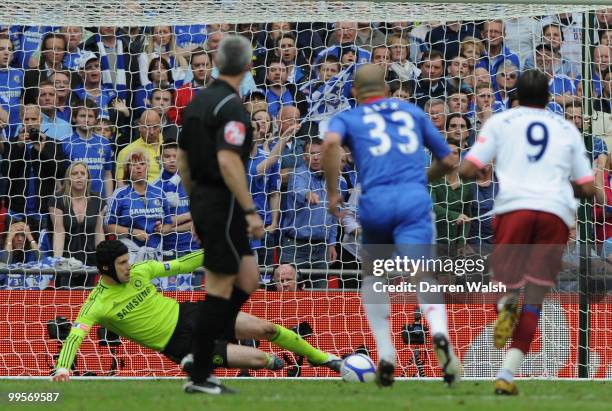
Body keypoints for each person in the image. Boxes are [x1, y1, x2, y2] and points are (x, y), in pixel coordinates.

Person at [322, 64, 461, 387]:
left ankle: (385, 354)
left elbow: (329, 144)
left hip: (375, 202)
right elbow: (450, 160)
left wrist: (332, 193)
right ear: (386, 91)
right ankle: (439, 333)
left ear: (355, 93)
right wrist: (420, 179)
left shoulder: (349, 117)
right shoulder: (411, 111)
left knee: (375, 275)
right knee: (422, 273)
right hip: (413, 201)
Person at [458, 69, 596, 395]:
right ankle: (507, 372)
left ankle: (505, 305)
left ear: (514, 94)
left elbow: (466, 169)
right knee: (535, 298)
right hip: (555, 213)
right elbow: (588, 187)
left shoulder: (500, 122)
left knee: (504, 287)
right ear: (549, 99)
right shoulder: (566, 128)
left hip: (514, 209)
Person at [178, 35, 301, 394]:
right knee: (220, 285)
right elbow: (230, 161)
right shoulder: (232, 109)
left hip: (208, 204)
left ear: (217, 62)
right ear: (249, 67)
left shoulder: (197, 103)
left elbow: (183, 159)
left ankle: (199, 351)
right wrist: (249, 210)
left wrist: (194, 202)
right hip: (225, 207)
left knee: (248, 279)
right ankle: (199, 364)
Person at [52, 240, 339, 382]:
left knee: (268, 329)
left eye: (128, 260)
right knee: (263, 359)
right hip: (181, 344)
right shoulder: (97, 304)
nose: (129, 266)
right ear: (106, 269)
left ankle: (325, 360)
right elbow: (75, 336)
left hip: (192, 313)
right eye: (122, 263)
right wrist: (63, 367)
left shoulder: (141, 271)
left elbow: (181, 264)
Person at [106, 150, 173, 262]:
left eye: (142, 164)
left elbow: (168, 224)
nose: (138, 167)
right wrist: (132, 232)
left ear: (147, 167)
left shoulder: (159, 193)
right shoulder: (120, 194)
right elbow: (108, 226)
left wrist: (161, 229)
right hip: (129, 252)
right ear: (127, 169)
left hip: (155, 252)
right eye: (133, 164)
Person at [48, 162, 105, 287]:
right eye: (75, 173)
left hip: (91, 261)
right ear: (69, 178)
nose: (79, 176)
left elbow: (99, 231)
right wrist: (57, 260)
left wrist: (103, 258)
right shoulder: (58, 199)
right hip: (66, 261)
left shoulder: (98, 200)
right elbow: (59, 231)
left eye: (82, 173)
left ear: (88, 177)